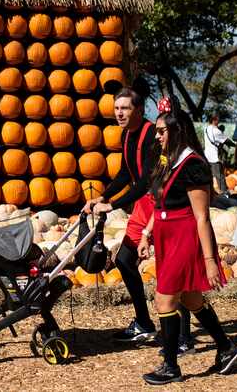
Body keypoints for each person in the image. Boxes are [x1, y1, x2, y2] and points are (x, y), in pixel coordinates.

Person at [138, 96, 237, 385]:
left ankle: (171, 366)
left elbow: (202, 217)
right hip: (165, 236)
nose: (156, 136)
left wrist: (210, 261)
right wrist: (147, 233)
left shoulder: (192, 165)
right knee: (190, 298)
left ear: (178, 131)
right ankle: (227, 347)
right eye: (157, 131)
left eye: (161, 131)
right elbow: (158, 203)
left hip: (184, 236)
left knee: (164, 298)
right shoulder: (164, 160)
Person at [84, 87, 194, 353]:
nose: (119, 113)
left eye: (125, 108)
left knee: (171, 266)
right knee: (124, 259)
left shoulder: (150, 136)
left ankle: (184, 335)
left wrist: (112, 205)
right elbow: (125, 173)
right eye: (117, 108)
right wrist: (102, 198)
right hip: (143, 205)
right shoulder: (126, 135)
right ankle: (144, 323)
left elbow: (146, 180)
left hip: (163, 204)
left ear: (139, 110)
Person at [203, 114, 232, 195]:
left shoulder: (206, 129)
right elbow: (226, 140)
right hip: (214, 157)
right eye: (218, 120)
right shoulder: (216, 131)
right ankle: (224, 193)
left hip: (207, 156)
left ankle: (210, 193)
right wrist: (235, 144)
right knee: (219, 176)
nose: (218, 121)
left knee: (210, 176)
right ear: (214, 120)